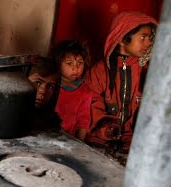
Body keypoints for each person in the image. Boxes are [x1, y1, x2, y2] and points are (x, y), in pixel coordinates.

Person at [84, 11, 157, 165]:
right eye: (143, 37)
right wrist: (106, 126)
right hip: (101, 139)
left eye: (149, 38)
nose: (148, 42)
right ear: (123, 38)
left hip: (131, 141)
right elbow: (91, 103)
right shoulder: (98, 71)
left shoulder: (144, 70)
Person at [51, 40, 93, 141]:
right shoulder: (51, 85)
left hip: (69, 140)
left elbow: (83, 121)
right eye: (69, 63)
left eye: (80, 63)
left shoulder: (85, 91)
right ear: (58, 64)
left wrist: (79, 144)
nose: (76, 68)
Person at [26, 56, 61, 131]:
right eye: (37, 83)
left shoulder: (52, 123)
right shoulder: (6, 116)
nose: (43, 91)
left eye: (50, 87)